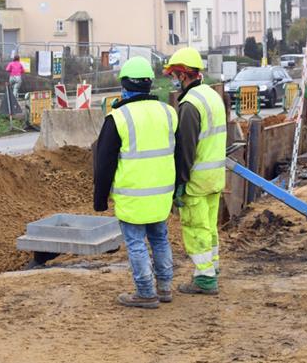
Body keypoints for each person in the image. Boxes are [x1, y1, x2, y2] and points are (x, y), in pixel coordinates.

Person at [93, 56, 178, 309]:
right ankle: (164, 288)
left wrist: (100, 199)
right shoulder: (168, 112)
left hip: (132, 196)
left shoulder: (117, 118)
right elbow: (179, 152)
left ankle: (145, 292)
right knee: (160, 238)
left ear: (125, 85)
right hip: (162, 193)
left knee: (136, 243)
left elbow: (104, 163)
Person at [165, 47, 226, 296]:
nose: (174, 80)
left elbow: (186, 149)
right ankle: (212, 267)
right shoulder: (212, 96)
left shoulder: (190, 105)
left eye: (174, 75)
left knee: (195, 228)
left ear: (182, 75)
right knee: (209, 226)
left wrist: (180, 181)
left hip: (197, 181)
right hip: (215, 177)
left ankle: (204, 278)